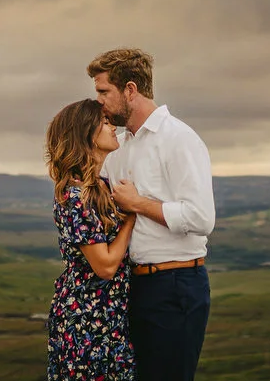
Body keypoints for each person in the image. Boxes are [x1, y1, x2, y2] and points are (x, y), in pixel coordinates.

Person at [89, 48, 214, 381]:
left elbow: (201, 218)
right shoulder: (119, 146)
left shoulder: (178, 139)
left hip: (175, 285)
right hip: (132, 286)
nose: (99, 101)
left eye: (104, 91)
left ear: (130, 89)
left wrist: (139, 203)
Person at [45, 99, 139, 381]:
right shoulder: (75, 196)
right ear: (86, 132)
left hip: (110, 314)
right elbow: (105, 266)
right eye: (106, 122)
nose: (113, 127)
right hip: (86, 319)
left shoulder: (101, 186)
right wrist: (131, 216)